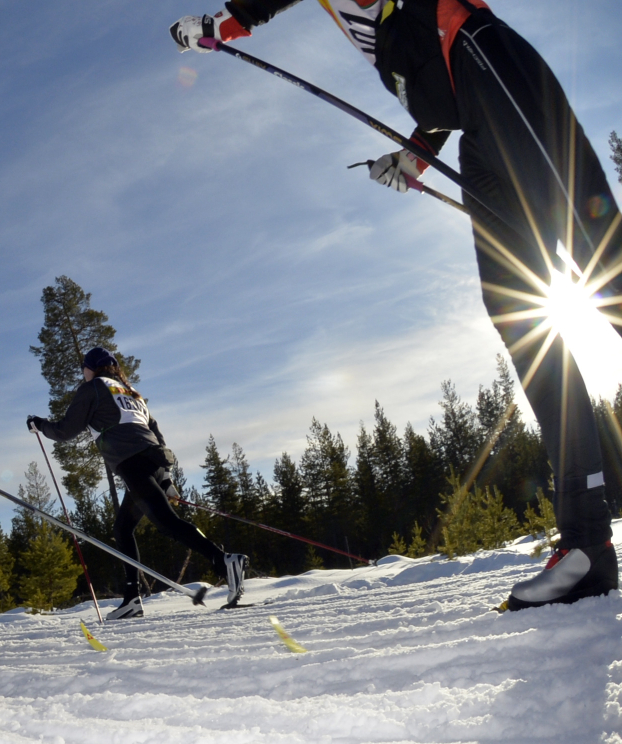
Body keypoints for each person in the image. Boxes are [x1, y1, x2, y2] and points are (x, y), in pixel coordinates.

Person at [169, 0, 620, 611]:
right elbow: (435, 99)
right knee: (519, 312)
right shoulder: (381, 37)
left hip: (490, 65)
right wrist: (412, 158)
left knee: (600, 259)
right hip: (472, 124)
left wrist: (229, 22)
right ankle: (587, 543)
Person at [28, 346, 247, 618]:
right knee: (122, 528)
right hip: (152, 460)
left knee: (166, 522)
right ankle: (132, 599)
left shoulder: (93, 388)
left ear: (91, 368)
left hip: (132, 462)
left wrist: (39, 424)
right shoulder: (130, 392)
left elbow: (65, 430)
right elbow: (154, 431)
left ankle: (223, 560)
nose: (83, 373)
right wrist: (166, 478)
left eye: (84, 368)